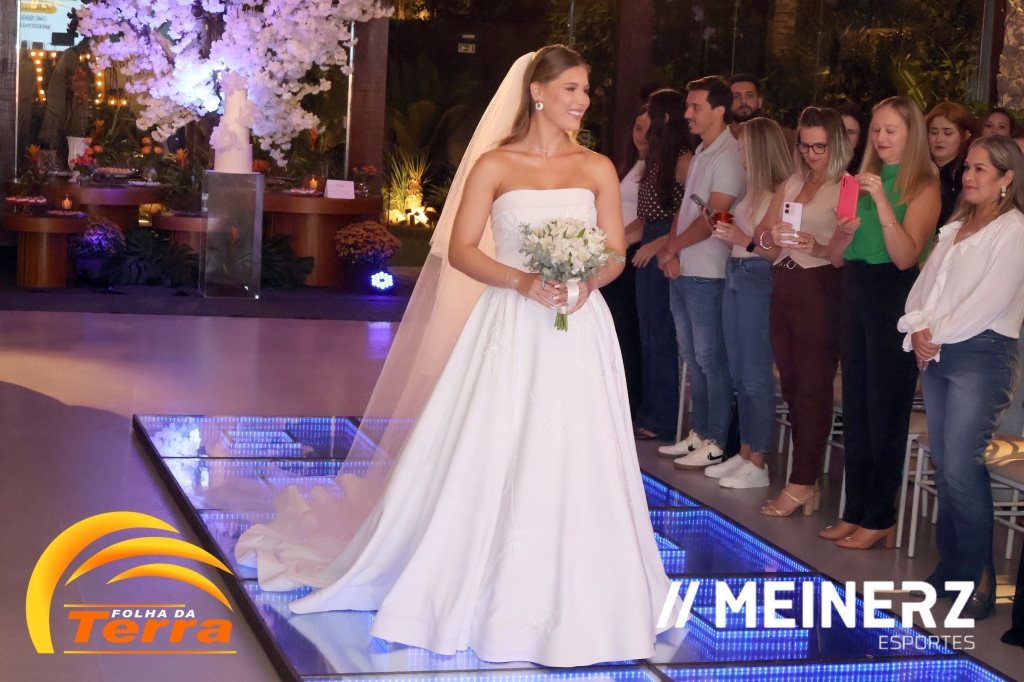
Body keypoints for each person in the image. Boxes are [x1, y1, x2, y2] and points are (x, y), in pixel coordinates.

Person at [233, 46, 681, 666]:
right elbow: (463, 248)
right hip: (511, 322)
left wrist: (583, 283)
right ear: (538, 92)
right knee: (498, 442)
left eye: (586, 90)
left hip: (579, 327)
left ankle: (588, 589)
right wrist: (522, 280)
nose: (583, 101)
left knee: (580, 447)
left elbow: (611, 253)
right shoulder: (496, 163)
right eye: (573, 89)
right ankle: (479, 579)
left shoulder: (598, 167)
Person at [898, 135, 1024, 619]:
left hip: (984, 353)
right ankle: (952, 568)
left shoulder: (1013, 229)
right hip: (941, 350)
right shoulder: (957, 227)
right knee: (946, 466)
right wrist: (918, 327)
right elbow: (923, 288)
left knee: (962, 467)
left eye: (980, 169)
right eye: (967, 167)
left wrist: (934, 334)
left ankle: (979, 578)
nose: (968, 176)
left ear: (1007, 178)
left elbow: (989, 300)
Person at [822, 96, 942, 549]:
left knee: (885, 409)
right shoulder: (857, 182)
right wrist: (843, 233)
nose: (880, 138)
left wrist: (882, 203)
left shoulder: (923, 184)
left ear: (911, 134)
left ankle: (880, 516)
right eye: (876, 129)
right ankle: (855, 511)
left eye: (891, 130)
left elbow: (906, 256)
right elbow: (836, 257)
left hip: (894, 294)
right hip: (855, 288)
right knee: (855, 406)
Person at [756, 107, 852, 516]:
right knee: (792, 386)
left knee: (813, 387)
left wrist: (820, 246)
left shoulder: (848, 186)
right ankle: (803, 478)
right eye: (805, 145)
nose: (811, 154)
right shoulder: (793, 181)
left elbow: (850, 253)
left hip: (820, 288)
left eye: (820, 146)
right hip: (783, 284)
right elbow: (762, 238)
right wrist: (771, 236)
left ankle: (802, 481)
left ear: (837, 145)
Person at [655, 76, 745, 468]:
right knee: (692, 356)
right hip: (686, 266)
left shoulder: (729, 155)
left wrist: (672, 247)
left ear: (719, 110)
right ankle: (700, 433)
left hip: (710, 271)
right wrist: (669, 250)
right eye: (688, 106)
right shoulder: (702, 150)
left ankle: (716, 439)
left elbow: (715, 217)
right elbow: (687, 207)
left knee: (710, 358)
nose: (687, 113)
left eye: (696, 107)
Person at [705, 117, 795, 488]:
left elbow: (778, 252)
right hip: (736, 272)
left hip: (758, 277)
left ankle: (757, 459)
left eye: (745, 151)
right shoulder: (751, 190)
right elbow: (744, 239)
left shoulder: (781, 193)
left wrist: (740, 237)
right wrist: (728, 234)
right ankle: (744, 452)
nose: (740, 157)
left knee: (756, 373)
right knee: (739, 370)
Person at [631, 89, 693, 440]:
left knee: (661, 333)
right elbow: (645, 216)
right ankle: (650, 411)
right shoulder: (656, 160)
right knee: (649, 332)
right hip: (651, 237)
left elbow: (690, 214)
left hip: (667, 243)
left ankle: (664, 418)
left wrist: (662, 243)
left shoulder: (683, 161)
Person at [602, 104, 649, 415]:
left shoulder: (656, 168)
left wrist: (619, 238)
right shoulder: (629, 164)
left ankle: (630, 400)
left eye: (649, 130)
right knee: (614, 326)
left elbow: (650, 215)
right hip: (615, 247)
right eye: (638, 128)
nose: (642, 136)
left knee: (627, 327)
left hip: (632, 250)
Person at [926, 102, 977, 228]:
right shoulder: (917, 167)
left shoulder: (969, 173)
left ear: (966, 135)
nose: (939, 139)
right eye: (933, 132)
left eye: (948, 133)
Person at [838, 100, 869, 175]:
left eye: (850, 132)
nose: (844, 136)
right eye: (840, 131)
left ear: (860, 135)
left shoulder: (867, 166)